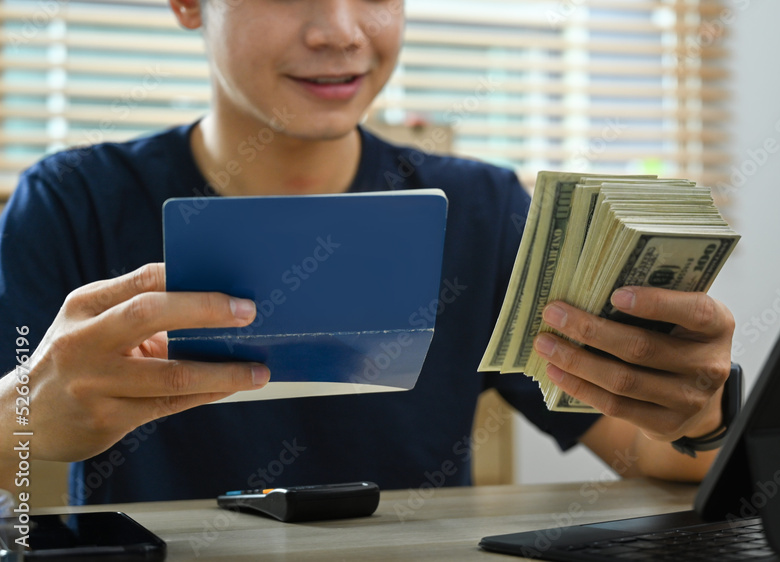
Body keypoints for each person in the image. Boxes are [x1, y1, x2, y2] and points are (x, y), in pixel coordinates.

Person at [0, 0, 736, 504]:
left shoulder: (483, 211)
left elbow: (663, 458)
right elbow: (15, 471)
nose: (341, 31)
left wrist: (700, 413)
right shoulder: (71, 205)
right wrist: (26, 420)